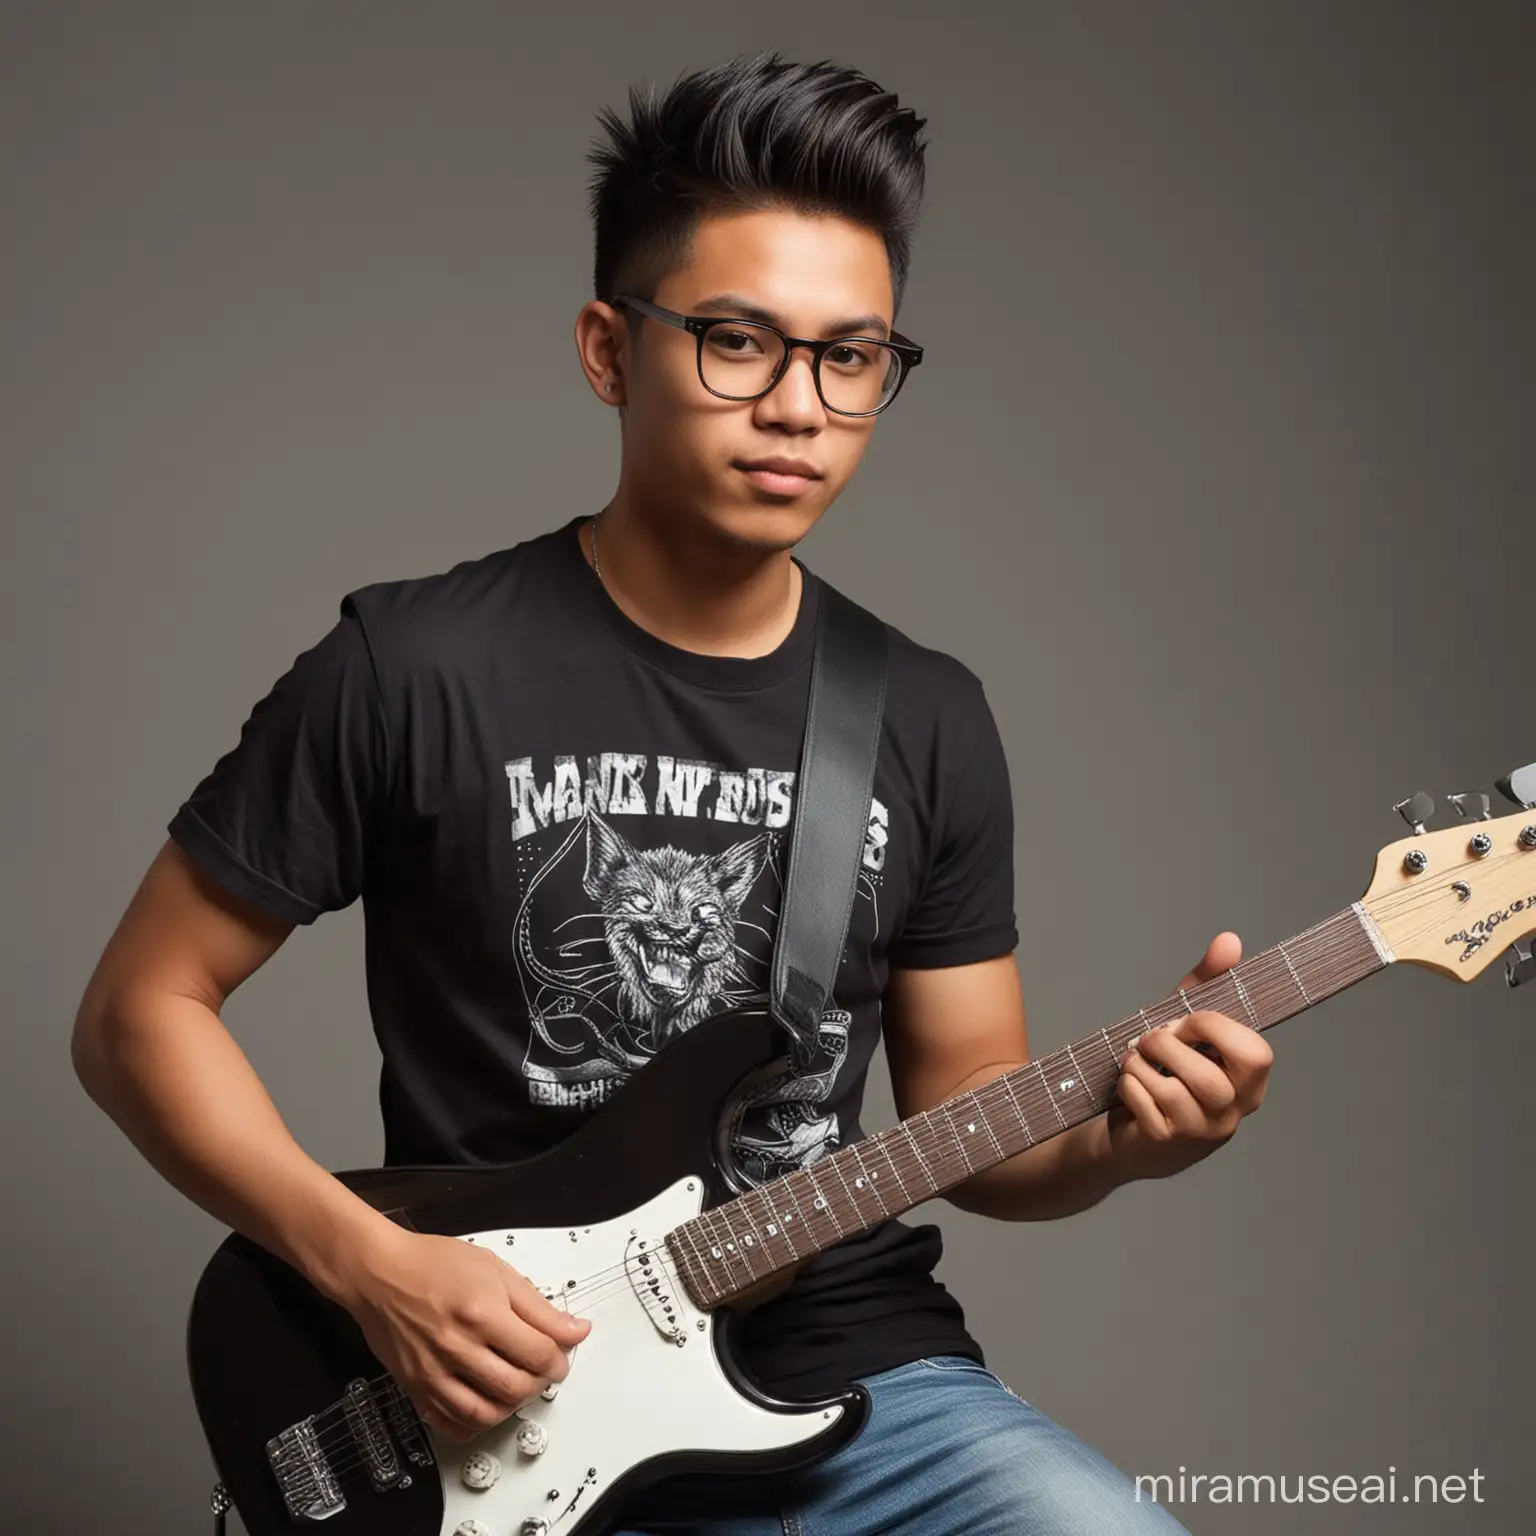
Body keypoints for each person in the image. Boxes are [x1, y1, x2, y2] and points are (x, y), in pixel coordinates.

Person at [71, 50, 1272, 1536]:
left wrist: (1123, 1143)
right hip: (498, 1400)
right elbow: (140, 1013)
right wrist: (367, 1267)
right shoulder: (416, 666)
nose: (799, 407)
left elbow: (973, 1115)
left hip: (854, 1380)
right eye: (735, 342)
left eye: (853, 357)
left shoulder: (926, 715)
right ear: (606, 348)